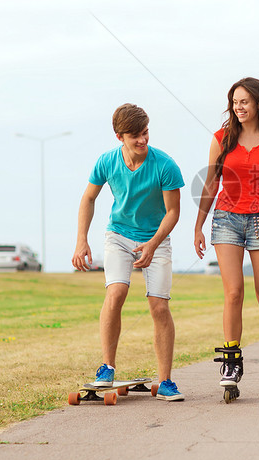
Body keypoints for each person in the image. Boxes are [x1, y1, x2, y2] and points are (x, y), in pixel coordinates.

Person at [194, 77, 259, 400]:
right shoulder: (222, 138)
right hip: (226, 218)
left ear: (258, 104)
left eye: (244, 102)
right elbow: (211, 183)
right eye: (235, 102)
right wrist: (199, 224)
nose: (239, 108)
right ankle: (230, 362)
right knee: (234, 292)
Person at [72, 103, 185, 401]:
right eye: (135, 135)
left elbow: (173, 212)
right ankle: (107, 367)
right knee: (116, 292)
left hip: (156, 238)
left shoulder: (165, 165)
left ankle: (166, 381)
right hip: (119, 235)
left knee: (159, 305)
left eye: (145, 133)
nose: (143, 140)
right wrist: (81, 240)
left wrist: (153, 244)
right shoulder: (107, 162)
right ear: (119, 136)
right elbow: (89, 198)